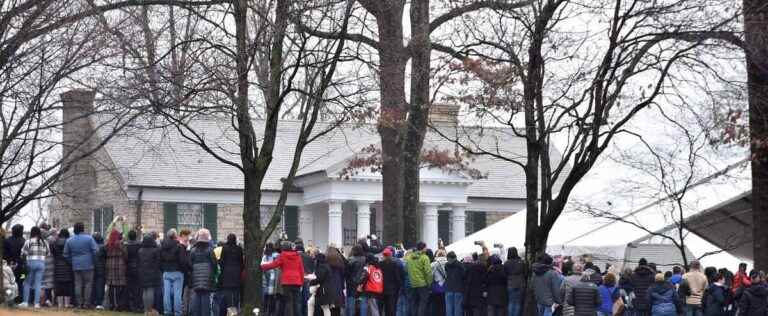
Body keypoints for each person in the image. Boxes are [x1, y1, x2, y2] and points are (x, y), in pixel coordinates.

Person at [261, 240, 305, 316]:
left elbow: (274, 264)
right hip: (297, 281)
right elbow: (301, 270)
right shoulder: (297, 256)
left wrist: (263, 266)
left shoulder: (283, 255)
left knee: (288, 302)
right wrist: (302, 282)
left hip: (286, 282)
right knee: (297, 303)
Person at [64, 222, 99, 309]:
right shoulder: (89, 239)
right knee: (88, 284)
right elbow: (96, 251)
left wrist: (72, 261)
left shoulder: (69, 240)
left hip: (76, 265)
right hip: (88, 264)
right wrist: (94, 261)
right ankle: (86, 303)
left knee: (78, 284)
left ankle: (79, 303)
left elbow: (65, 254)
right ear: (83, 229)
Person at [188, 228, 216, 316]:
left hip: (196, 277)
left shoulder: (193, 250)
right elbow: (214, 264)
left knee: (196, 297)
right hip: (207, 278)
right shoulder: (210, 249)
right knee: (205, 299)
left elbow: (189, 264)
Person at [19, 226, 49, 309]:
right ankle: (36, 303)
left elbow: (23, 253)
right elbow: (48, 253)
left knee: (27, 282)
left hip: (30, 263)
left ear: (32, 232)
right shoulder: (45, 242)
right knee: (38, 283)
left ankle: (25, 302)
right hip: (41, 263)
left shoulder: (28, 241)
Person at [161, 228, 188, 316]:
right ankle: (177, 312)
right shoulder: (179, 246)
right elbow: (182, 261)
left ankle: (167, 312)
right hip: (177, 271)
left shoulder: (163, 245)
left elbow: (160, 259)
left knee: (166, 293)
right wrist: (184, 270)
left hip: (166, 271)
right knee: (177, 293)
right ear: (175, 236)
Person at [218, 233, 243, 315]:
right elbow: (241, 262)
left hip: (226, 275)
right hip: (236, 275)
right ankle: (234, 313)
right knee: (235, 297)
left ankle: (228, 313)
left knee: (227, 297)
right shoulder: (239, 249)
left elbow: (221, 262)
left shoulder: (224, 248)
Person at [405, 242, 432, 316]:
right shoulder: (425, 257)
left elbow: (406, 270)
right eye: (425, 247)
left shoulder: (409, 258)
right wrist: (429, 283)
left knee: (414, 302)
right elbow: (428, 272)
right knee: (423, 303)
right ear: (423, 248)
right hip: (423, 284)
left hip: (413, 283)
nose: (426, 249)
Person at [139, 233, 162, 315]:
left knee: (145, 291)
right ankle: (150, 309)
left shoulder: (140, 251)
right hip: (152, 273)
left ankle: (146, 309)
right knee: (150, 290)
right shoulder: (155, 250)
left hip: (142, 272)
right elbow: (158, 263)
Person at [105, 229, 127, 311]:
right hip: (119, 265)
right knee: (118, 285)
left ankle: (111, 304)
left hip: (109, 265)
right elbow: (125, 254)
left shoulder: (108, 244)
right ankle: (117, 304)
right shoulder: (121, 244)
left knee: (111, 285)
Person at [52, 228, 73, 308]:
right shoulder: (69, 241)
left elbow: (53, 252)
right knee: (67, 284)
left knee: (59, 284)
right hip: (67, 265)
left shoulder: (55, 242)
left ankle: (60, 304)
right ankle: (67, 303)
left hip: (57, 265)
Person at [4, 224, 25, 304]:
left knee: (10, 282)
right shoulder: (24, 241)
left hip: (10, 266)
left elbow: (5, 254)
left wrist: (10, 262)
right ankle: (20, 298)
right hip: (22, 267)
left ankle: (10, 298)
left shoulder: (7, 241)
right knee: (22, 281)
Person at [344, 245, 366, 316]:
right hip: (362, 283)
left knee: (350, 301)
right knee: (361, 301)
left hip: (351, 283)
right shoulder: (364, 259)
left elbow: (346, 273)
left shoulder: (350, 260)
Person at [123, 230, 142, 312]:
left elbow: (125, 256)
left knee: (129, 287)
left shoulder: (126, 245)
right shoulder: (139, 245)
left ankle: (130, 306)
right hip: (137, 267)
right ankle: (136, 305)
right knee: (137, 288)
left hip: (128, 267)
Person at [380, 247, 403, 316]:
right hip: (392, 290)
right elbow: (397, 277)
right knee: (391, 308)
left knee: (382, 307)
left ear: (384, 255)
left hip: (382, 289)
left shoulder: (380, 264)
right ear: (391, 255)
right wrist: (399, 286)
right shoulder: (394, 264)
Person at [326, 245, 347, 316]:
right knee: (337, 309)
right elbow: (344, 273)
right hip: (338, 286)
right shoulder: (339, 260)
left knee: (328, 309)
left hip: (328, 286)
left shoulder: (326, 260)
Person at [262, 242, 281, 316]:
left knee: (266, 296)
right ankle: (271, 312)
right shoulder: (276, 255)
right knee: (272, 297)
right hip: (273, 278)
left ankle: (265, 311)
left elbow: (262, 265)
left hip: (265, 278)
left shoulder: (264, 256)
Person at [504, 248, 525, 316]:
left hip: (510, 284)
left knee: (511, 302)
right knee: (518, 303)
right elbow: (525, 273)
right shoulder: (521, 262)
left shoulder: (506, 263)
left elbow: (504, 274)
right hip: (520, 283)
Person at [443, 251, 464, 316]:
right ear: (455, 257)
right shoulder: (460, 265)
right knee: (458, 308)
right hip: (458, 289)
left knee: (448, 308)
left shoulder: (446, 265)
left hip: (448, 288)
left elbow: (446, 273)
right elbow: (464, 275)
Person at [431, 249, 448, 316]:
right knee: (444, 304)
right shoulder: (448, 263)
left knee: (435, 304)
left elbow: (430, 276)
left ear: (437, 255)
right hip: (446, 286)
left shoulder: (433, 264)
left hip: (436, 286)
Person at [92, 233, 107, 309]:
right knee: (100, 286)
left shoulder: (92, 247)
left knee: (93, 285)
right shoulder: (103, 247)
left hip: (93, 267)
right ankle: (99, 302)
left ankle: (93, 300)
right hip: (101, 268)